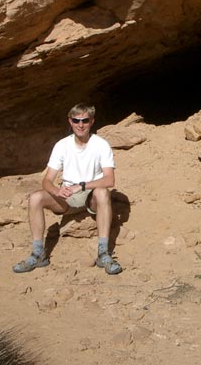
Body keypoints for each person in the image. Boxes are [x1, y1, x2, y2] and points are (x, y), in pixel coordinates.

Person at [13, 103, 122, 275]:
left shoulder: (101, 145)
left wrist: (82, 185)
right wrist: (56, 191)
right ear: (70, 122)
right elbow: (47, 180)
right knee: (35, 197)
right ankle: (38, 254)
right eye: (76, 120)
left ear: (92, 121)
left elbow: (109, 180)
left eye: (85, 120)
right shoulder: (62, 145)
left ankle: (103, 253)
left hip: (89, 195)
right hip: (66, 197)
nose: (80, 125)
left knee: (102, 192)